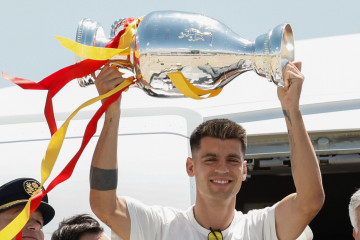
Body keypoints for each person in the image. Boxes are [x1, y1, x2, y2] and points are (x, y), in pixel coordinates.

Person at [89, 62, 325, 240]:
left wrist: (292, 109)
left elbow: (310, 200)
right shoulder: (160, 227)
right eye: (210, 159)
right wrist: (112, 111)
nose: (222, 168)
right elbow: (104, 205)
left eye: (233, 160)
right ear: (191, 167)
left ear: (244, 170)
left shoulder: (261, 228)